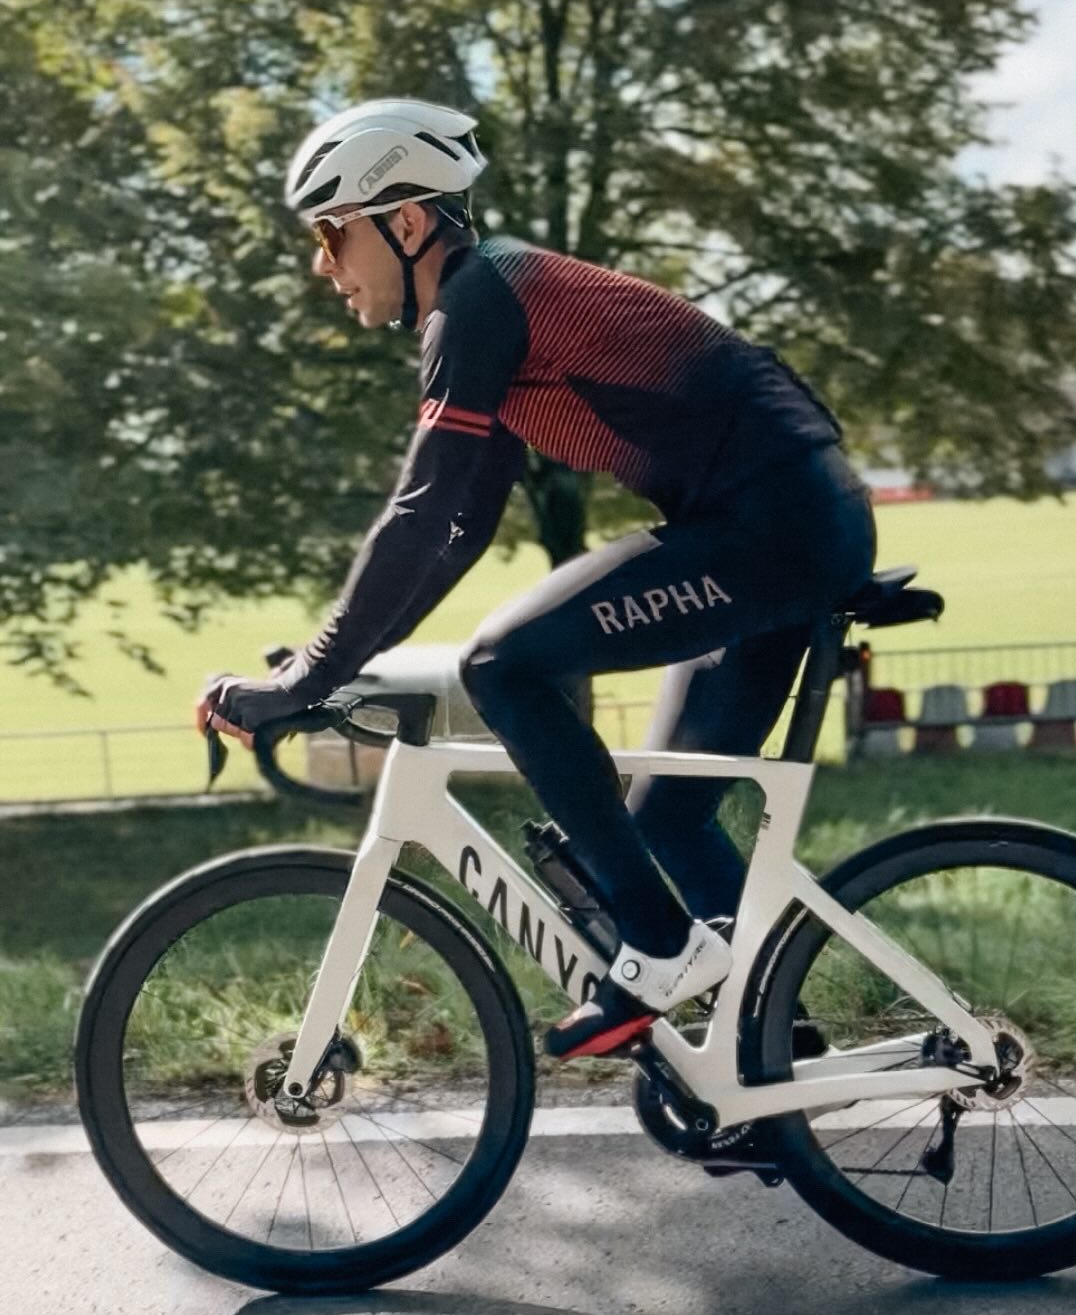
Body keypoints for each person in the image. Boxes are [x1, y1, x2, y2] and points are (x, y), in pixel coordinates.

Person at [197, 98, 876, 1058]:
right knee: (669, 819)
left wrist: (306, 676)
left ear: (406, 222)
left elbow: (418, 515)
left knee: (506, 667)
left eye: (330, 232)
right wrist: (351, 655)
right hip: (785, 527)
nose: (322, 263)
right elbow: (460, 526)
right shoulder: (496, 306)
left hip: (772, 531)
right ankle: (769, 1059)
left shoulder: (479, 302)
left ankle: (658, 945)